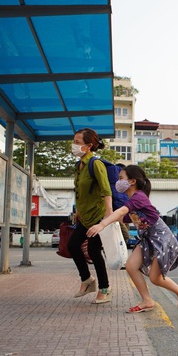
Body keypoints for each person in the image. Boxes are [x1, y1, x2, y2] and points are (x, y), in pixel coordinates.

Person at [87, 165, 178, 313]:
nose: (118, 182)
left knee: (155, 278)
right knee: (131, 266)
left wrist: (101, 225)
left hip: (162, 240)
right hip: (148, 240)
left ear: (132, 181)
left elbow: (121, 211)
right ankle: (147, 301)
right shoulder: (134, 200)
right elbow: (123, 217)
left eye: (121, 178)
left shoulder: (139, 197)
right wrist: (104, 217)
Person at [68, 128, 112, 304]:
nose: (74, 145)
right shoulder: (78, 166)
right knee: (72, 246)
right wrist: (78, 210)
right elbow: (80, 190)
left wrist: (108, 215)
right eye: (74, 141)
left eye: (78, 142)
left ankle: (104, 289)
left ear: (89, 146)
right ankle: (87, 281)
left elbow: (106, 190)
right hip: (85, 217)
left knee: (94, 251)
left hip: (98, 217)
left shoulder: (95, 164)